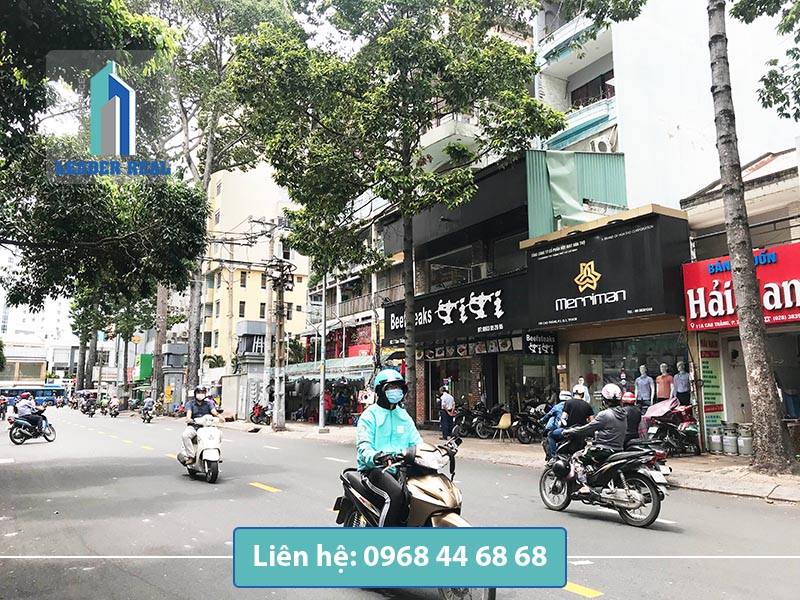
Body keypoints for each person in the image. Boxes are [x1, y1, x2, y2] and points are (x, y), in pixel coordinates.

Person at [356, 369, 422, 527]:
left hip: (402, 469)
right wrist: (377, 457)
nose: (395, 391)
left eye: (398, 387)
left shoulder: (404, 416)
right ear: (380, 390)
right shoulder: (369, 416)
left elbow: (417, 442)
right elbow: (364, 446)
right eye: (391, 387)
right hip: (375, 469)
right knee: (395, 494)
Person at [562, 384, 627, 495]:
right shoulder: (623, 414)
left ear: (604, 400)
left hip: (604, 450)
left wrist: (570, 431)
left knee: (577, 457)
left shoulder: (605, 415)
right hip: (618, 449)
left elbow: (587, 429)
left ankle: (584, 486)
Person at [182, 386, 224, 465]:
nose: (200, 394)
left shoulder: (208, 403)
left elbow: (213, 411)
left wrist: (220, 416)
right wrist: (189, 418)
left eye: (202, 392)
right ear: (195, 393)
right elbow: (189, 412)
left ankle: (217, 452)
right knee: (185, 435)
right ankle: (191, 456)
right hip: (194, 426)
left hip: (207, 427)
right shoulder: (190, 404)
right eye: (199, 392)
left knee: (219, 434)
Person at [542, 391, 571, 459]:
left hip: (562, 431)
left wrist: (541, 420)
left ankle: (554, 456)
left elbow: (548, 415)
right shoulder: (573, 406)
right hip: (574, 429)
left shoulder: (557, 407)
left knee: (550, 435)